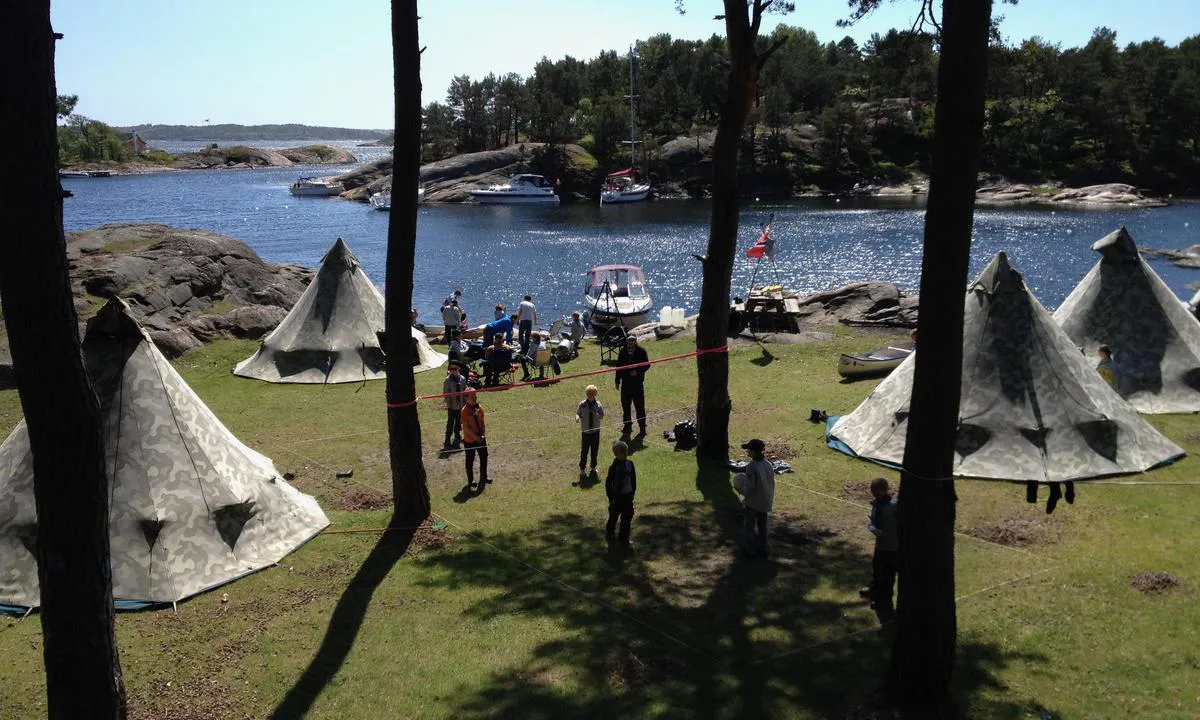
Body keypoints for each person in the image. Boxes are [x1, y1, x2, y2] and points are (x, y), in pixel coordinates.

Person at [859, 478, 898, 620]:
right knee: (877, 570)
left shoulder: (890, 508)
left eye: (874, 491)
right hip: (881, 546)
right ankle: (874, 591)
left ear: (881, 490)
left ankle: (885, 603)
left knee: (887, 576)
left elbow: (888, 533)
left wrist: (871, 527)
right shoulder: (879, 505)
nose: (872, 493)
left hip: (891, 549)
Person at [732, 439, 774, 559]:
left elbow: (750, 488)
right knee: (763, 527)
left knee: (749, 527)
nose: (747, 451)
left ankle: (750, 551)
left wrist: (740, 490)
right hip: (766, 501)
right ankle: (763, 549)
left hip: (754, 502)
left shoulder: (752, 466)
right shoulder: (768, 464)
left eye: (749, 449)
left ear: (755, 452)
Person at [614, 334, 649, 438]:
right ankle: (627, 426)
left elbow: (647, 365)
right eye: (630, 340)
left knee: (639, 407)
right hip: (625, 384)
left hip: (637, 384)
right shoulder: (623, 351)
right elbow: (618, 367)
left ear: (636, 340)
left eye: (633, 340)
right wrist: (617, 381)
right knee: (626, 407)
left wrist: (637, 372)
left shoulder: (641, 351)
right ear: (627, 341)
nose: (631, 342)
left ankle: (642, 428)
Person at [604, 440, 636, 547]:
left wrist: (632, 493)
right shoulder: (613, 468)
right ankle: (610, 531)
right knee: (613, 516)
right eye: (622, 452)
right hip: (617, 497)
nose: (625, 453)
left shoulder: (630, 464)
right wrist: (611, 498)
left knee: (627, 517)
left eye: (626, 451)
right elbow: (608, 484)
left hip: (627, 496)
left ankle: (624, 538)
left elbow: (633, 480)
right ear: (617, 454)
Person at [460, 389, 489, 487]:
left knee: (484, 457)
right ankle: (471, 480)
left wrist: (483, 435)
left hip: (481, 438)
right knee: (470, 460)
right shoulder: (464, 411)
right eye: (472, 397)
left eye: (475, 396)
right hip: (470, 440)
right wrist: (476, 438)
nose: (474, 398)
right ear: (466, 398)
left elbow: (483, 423)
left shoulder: (480, 408)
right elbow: (466, 428)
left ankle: (484, 477)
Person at [576, 384, 605, 480]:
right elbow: (578, 413)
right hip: (585, 432)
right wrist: (577, 418)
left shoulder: (598, 404)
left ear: (595, 394)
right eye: (588, 393)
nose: (590, 395)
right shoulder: (582, 404)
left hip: (595, 431)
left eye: (592, 393)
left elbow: (602, 415)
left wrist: (597, 414)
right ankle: (582, 469)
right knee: (584, 451)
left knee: (594, 450)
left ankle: (593, 468)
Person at [442, 361, 468, 450]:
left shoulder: (463, 379)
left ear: (458, 369)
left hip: (460, 405)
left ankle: (457, 440)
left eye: (454, 369)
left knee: (458, 424)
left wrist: (465, 403)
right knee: (450, 424)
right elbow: (445, 394)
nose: (452, 371)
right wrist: (449, 405)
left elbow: (465, 392)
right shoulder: (447, 380)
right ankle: (447, 441)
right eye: (450, 369)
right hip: (452, 406)